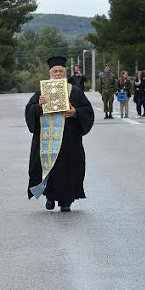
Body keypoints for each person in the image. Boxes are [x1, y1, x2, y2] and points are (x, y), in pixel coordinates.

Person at [26, 56, 95, 212]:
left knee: (68, 170)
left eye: (60, 71)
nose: (57, 74)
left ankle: (66, 201)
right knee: (49, 169)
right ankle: (50, 198)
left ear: (65, 74)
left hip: (69, 141)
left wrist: (75, 113)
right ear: (50, 73)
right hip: (46, 141)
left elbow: (87, 112)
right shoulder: (41, 93)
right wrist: (38, 106)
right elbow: (29, 112)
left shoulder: (75, 92)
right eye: (55, 71)